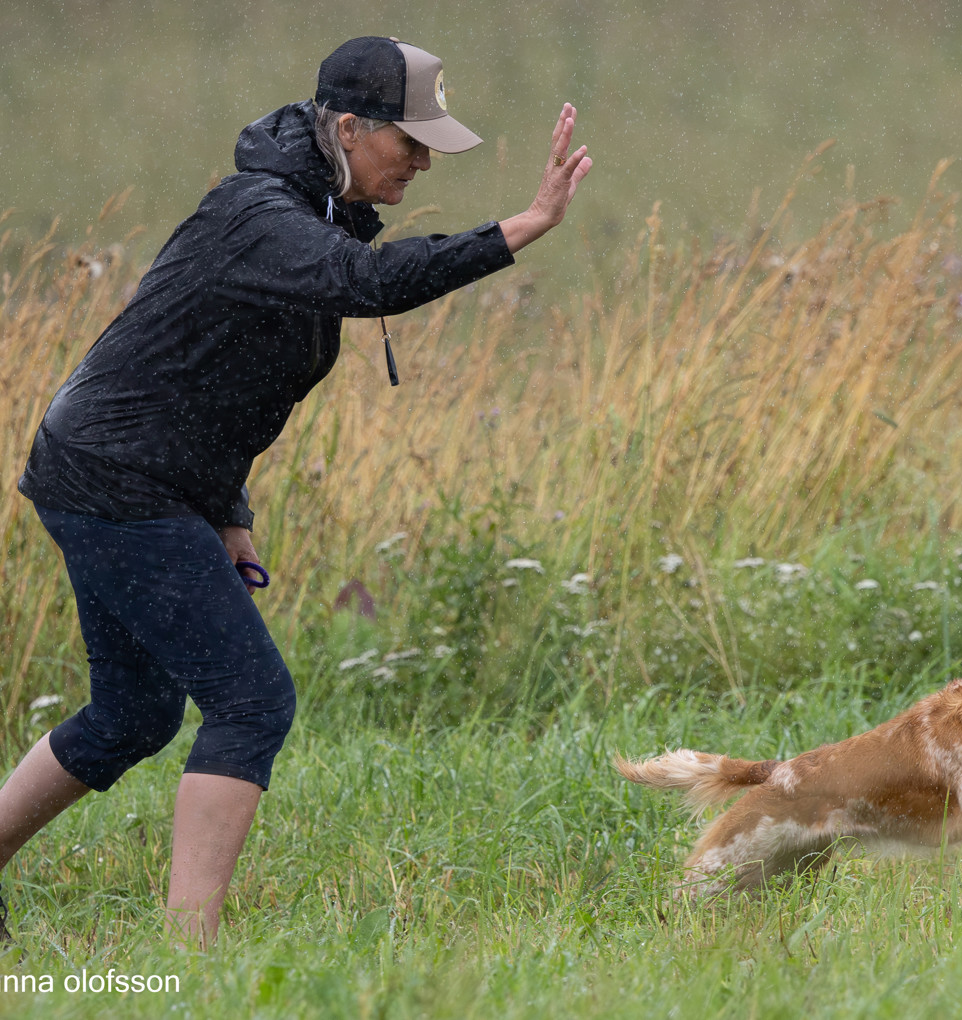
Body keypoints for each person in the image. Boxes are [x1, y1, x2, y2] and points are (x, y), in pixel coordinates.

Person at [0, 36, 592, 948]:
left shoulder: (313, 210)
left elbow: (215, 379)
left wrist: (230, 515)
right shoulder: (262, 215)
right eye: (412, 139)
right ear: (350, 128)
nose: (426, 161)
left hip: (132, 471)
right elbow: (370, 286)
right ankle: (191, 952)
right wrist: (525, 225)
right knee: (250, 701)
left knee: (135, 714)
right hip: (116, 478)